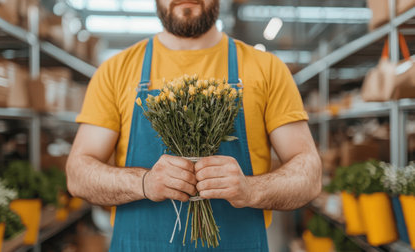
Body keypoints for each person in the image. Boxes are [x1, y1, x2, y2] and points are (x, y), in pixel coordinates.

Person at [67, 0, 322, 251]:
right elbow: (77, 174)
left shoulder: (267, 69)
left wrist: (250, 189)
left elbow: (309, 175)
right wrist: (143, 182)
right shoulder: (115, 71)